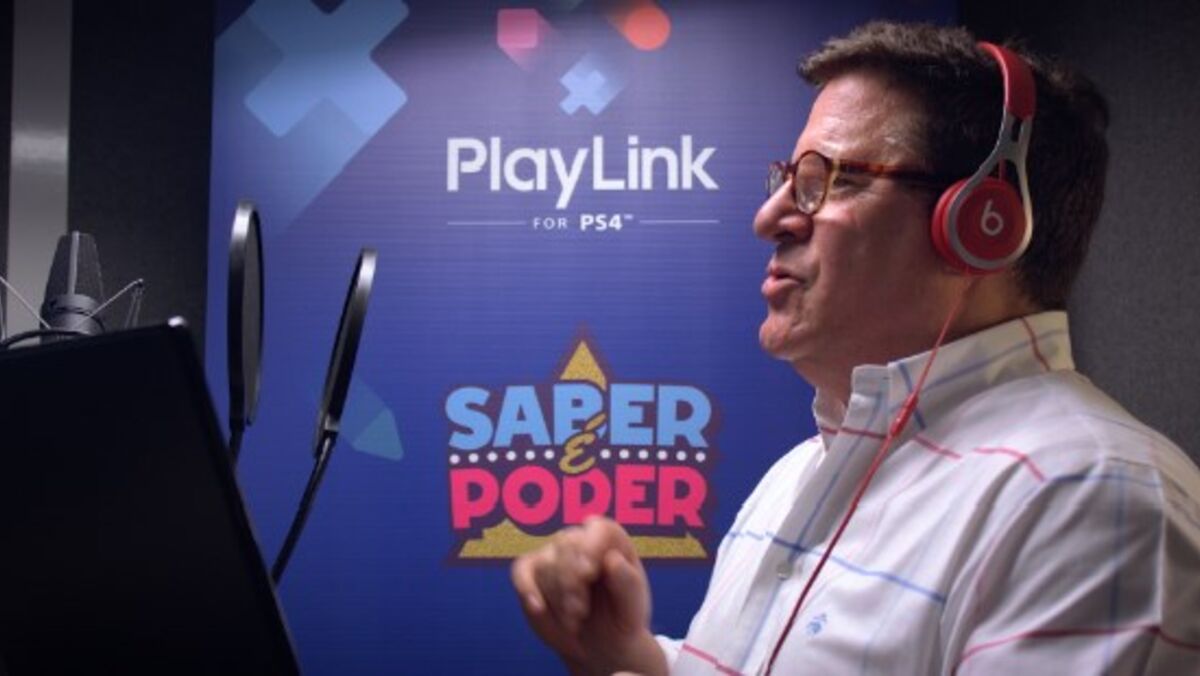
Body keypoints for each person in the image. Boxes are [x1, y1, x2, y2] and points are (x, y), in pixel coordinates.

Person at [511, 21, 1200, 675]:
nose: (769, 218)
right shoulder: (799, 475)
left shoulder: (1091, 500)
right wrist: (629, 655)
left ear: (982, 221)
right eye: (786, 178)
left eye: (831, 179)